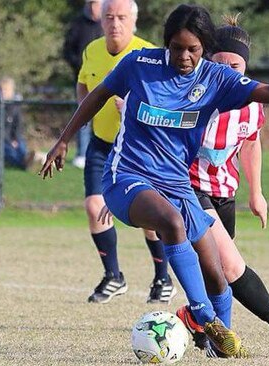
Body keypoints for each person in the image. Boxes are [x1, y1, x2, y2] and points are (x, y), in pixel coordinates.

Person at [40, 3, 269, 357]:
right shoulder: (141, 64)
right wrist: (64, 138)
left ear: (204, 49)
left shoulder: (216, 78)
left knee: (216, 270)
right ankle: (202, 315)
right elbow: (98, 94)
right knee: (171, 222)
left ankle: (220, 344)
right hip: (128, 177)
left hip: (177, 186)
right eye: (177, 47)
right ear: (167, 44)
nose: (184, 56)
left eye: (192, 49)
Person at [178, 15, 269, 357]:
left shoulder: (251, 101)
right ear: (208, 61)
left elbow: (250, 143)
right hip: (188, 187)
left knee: (214, 272)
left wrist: (256, 192)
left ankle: (200, 325)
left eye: (236, 65)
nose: (229, 71)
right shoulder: (190, 92)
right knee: (229, 265)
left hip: (224, 192)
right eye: (221, 63)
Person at [74, 0, 176, 304]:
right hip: (102, 143)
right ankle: (114, 276)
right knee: (94, 207)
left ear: (133, 21)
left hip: (137, 148)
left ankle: (163, 278)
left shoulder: (148, 55)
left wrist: (133, 107)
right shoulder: (92, 50)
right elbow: (83, 83)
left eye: (121, 17)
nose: (114, 23)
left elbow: (166, 103)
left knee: (147, 216)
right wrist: (85, 110)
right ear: (100, 20)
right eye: (109, 17)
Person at [63, 0, 103, 169]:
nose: (96, 8)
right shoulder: (78, 24)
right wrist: (80, 66)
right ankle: (82, 153)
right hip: (83, 78)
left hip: (105, 79)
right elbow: (67, 51)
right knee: (83, 113)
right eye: (93, 4)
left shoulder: (107, 24)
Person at [0, 77, 34, 170]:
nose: (3, 92)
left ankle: (27, 158)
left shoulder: (16, 106)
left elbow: (18, 125)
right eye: (1, 89)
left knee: (21, 146)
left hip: (13, 137)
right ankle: (23, 163)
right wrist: (10, 141)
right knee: (9, 151)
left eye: (6, 90)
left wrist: (15, 139)